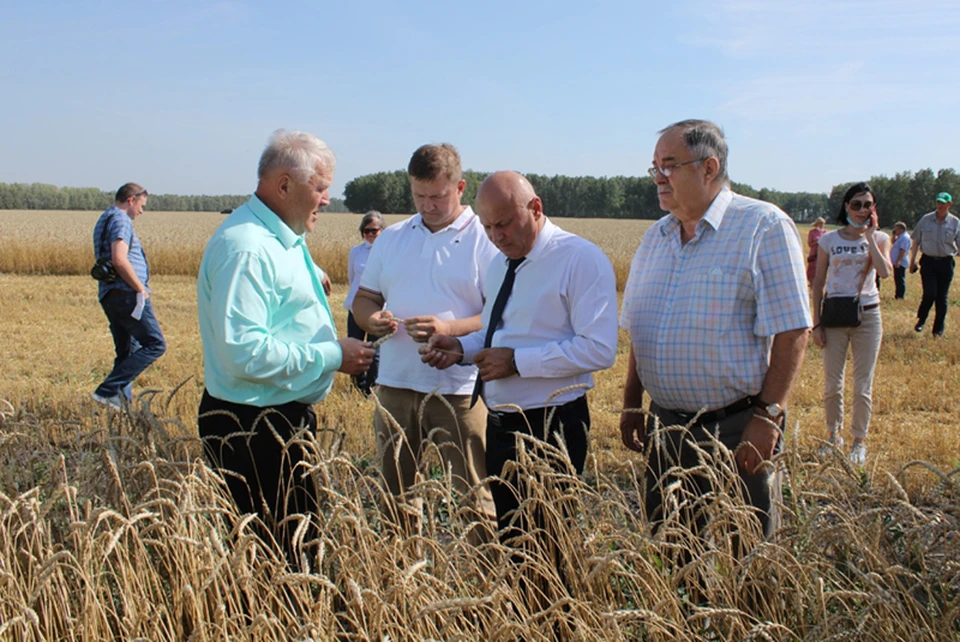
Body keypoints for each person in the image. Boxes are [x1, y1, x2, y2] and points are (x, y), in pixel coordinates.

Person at [619, 119, 811, 539]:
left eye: (668, 166)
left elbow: (793, 330)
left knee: (742, 553)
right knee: (670, 549)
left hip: (736, 428)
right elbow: (641, 325)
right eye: (654, 167)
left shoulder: (763, 226)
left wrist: (768, 416)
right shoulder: (656, 238)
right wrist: (633, 398)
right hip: (665, 428)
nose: (658, 178)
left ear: (709, 168)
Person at [197, 129, 375, 559]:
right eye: (321, 188)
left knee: (294, 545)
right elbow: (244, 353)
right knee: (279, 559)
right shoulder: (247, 249)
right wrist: (334, 354)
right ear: (283, 185)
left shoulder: (277, 236)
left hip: (275, 418)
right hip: (254, 426)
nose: (328, 199)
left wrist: (310, 274)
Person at [420, 171, 618, 545]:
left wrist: (517, 363)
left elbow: (599, 348)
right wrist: (461, 349)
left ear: (536, 208)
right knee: (514, 543)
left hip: (551, 427)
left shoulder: (580, 260)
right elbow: (500, 334)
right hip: (500, 424)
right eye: (488, 226)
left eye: (505, 224)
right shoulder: (500, 264)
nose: (496, 236)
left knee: (547, 545)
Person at [352, 143, 499, 541]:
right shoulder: (392, 238)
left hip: (459, 392)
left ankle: (486, 587)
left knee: (475, 498)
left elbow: (500, 314)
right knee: (395, 498)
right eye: (419, 196)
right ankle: (402, 583)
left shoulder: (486, 240)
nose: (428, 205)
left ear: (460, 187)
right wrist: (374, 320)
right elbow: (364, 300)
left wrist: (448, 330)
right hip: (395, 385)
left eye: (438, 196)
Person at [811, 183, 892, 466]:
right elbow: (818, 282)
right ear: (846, 206)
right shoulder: (829, 240)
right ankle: (833, 437)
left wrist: (869, 238)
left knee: (862, 385)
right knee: (832, 384)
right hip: (833, 316)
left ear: (873, 209)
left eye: (867, 205)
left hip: (868, 316)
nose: (861, 210)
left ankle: (859, 442)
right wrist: (816, 324)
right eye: (856, 204)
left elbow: (885, 272)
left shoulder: (880, 238)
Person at [91, 183, 167, 409]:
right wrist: (139, 288)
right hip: (127, 295)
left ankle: (121, 407)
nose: (142, 211)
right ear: (131, 200)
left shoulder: (104, 219)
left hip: (109, 295)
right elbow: (119, 259)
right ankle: (107, 391)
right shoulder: (121, 219)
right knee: (155, 344)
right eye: (141, 205)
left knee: (127, 352)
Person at [345, 210, 385, 395]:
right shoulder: (356, 251)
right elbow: (351, 278)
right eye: (366, 230)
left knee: (375, 350)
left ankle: (370, 388)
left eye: (374, 230)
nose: (369, 234)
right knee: (355, 346)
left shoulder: (387, 252)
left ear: (382, 231)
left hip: (379, 308)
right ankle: (356, 386)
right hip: (355, 306)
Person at [909, 192, 960, 337]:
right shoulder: (926, 219)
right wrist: (912, 261)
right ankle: (921, 319)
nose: (940, 205)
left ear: (949, 204)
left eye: (943, 203)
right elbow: (916, 240)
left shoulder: (955, 222)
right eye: (938, 202)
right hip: (928, 261)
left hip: (946, 262)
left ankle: (938, 330)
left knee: (941, 298)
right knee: (930, 293)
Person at [890, 221, 911, 299]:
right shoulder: (900, 237)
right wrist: (893, 235)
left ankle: (900, 296)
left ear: (902, 229)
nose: (895, 231)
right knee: (897, 278)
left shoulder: (905, 237)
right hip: (897, 261)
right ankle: (897, 294)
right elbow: (893, 242)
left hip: (901, 262)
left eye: (897, 229)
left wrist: (898, 261)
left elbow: (903, 250)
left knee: (900, 279)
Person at [807, 217, 826, 285]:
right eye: (820, 223)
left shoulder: (825, 232)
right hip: (813, 254)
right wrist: (817, 242)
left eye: (823, 224)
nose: (822, 225)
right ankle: (812, 285)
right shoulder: (812, 232)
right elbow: (809, 244)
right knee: (812, 271)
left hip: (822, 254)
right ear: (817, 224)